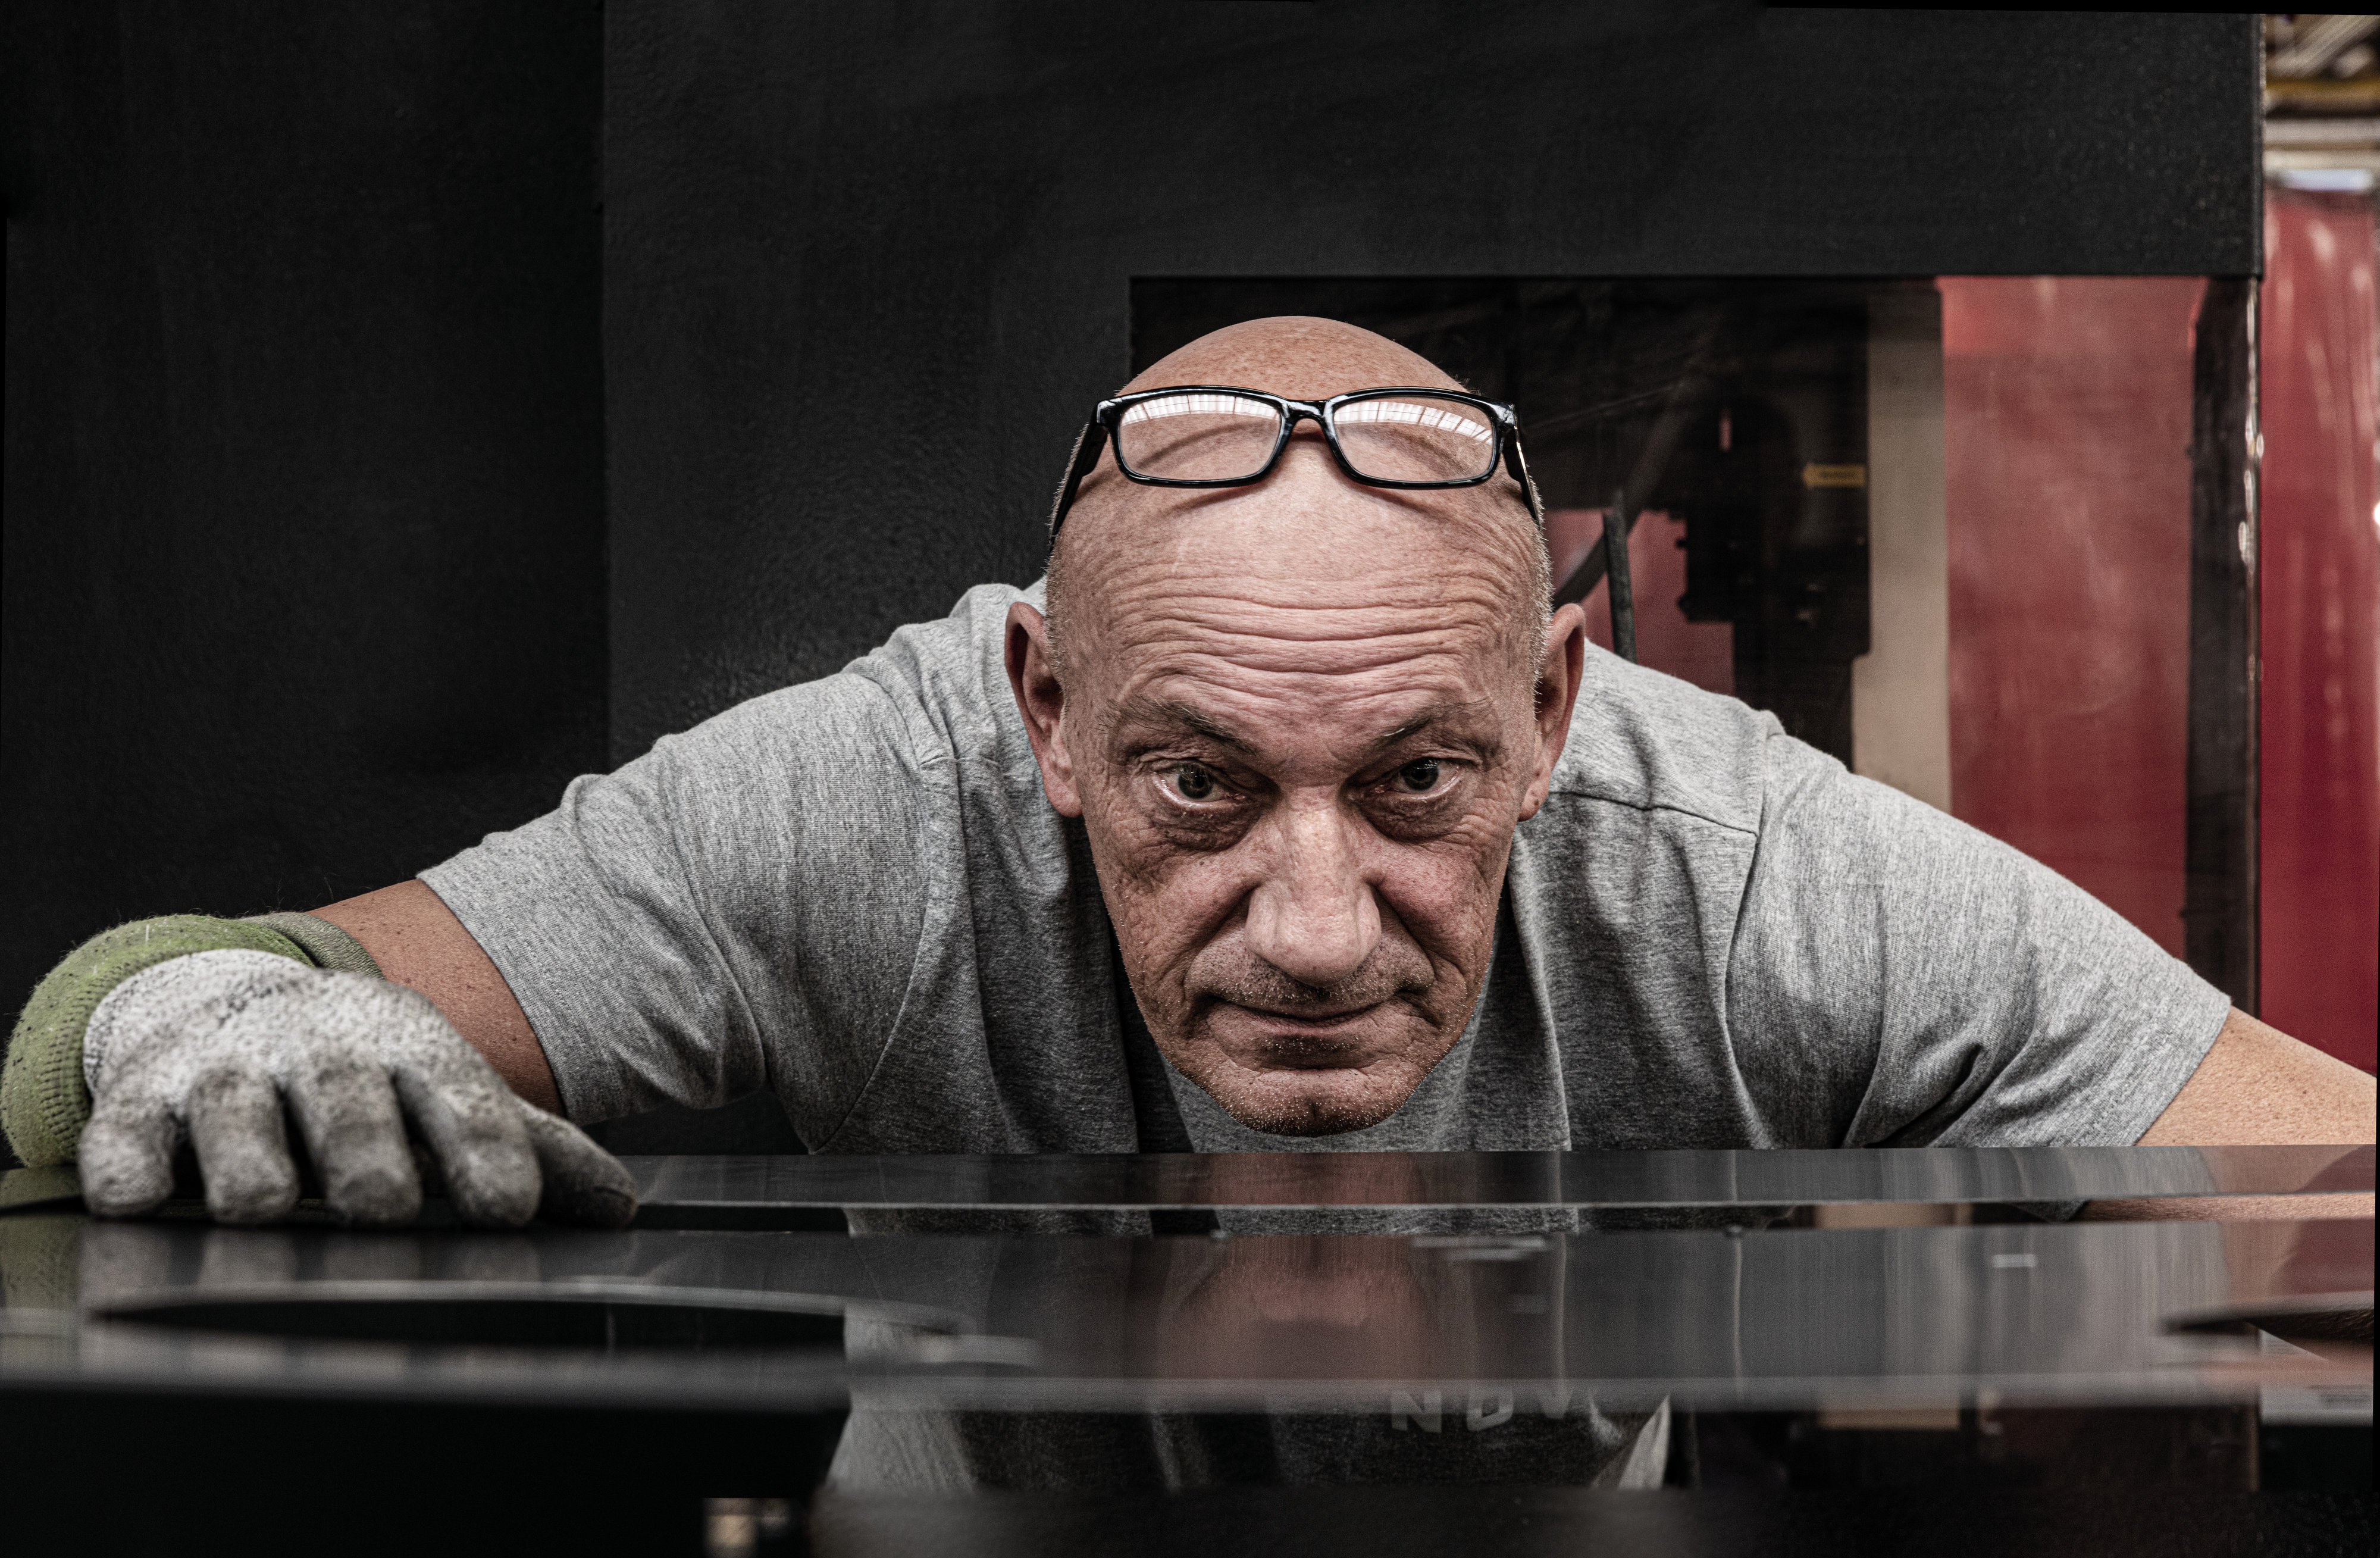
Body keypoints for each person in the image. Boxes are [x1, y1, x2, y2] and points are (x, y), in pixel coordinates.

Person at [5, 317, 2371, 1229]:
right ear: (1044, 712)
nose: (1321, 931)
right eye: (1203, 787)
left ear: (1557, 713)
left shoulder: (1737, 861)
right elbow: (206, 978)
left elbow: (2335, 1173)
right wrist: (207, 1021)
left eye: (1420, 780)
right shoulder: (860, 807)